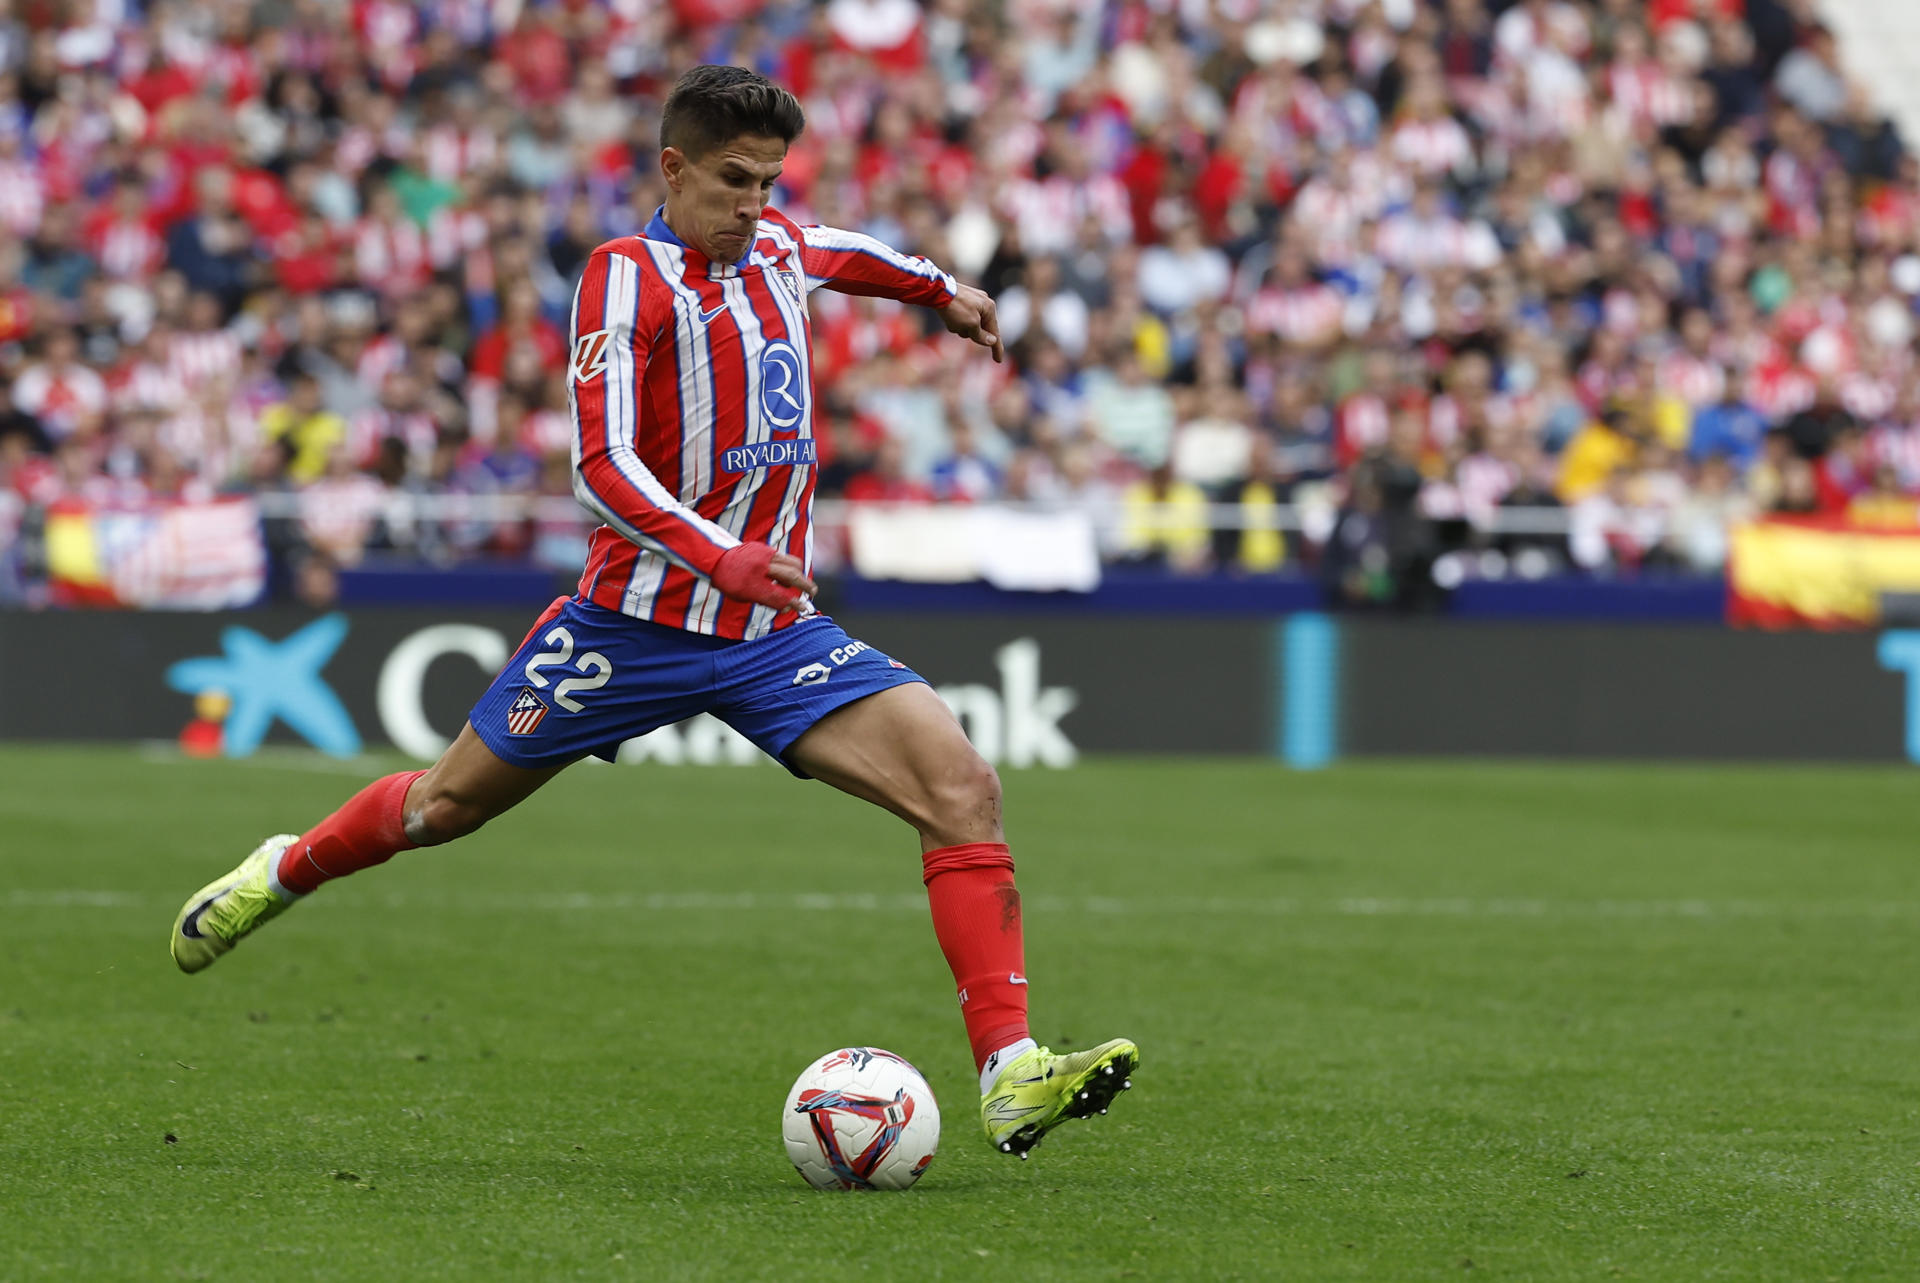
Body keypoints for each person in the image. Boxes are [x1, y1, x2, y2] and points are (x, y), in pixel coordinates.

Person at [166, 65, 1135, 1162]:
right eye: (734, 181)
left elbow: (842, 252)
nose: (757, 204)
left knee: (962, 786)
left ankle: (1010, 1072)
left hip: (771, 635)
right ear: (674, 169)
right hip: (627, 629)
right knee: (443, 808)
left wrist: (939, 290)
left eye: (770, 182)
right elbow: (602, 466)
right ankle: (284, 869)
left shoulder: (773, 246)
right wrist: (722, 553)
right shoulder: (621, 279)